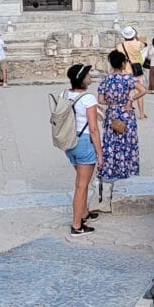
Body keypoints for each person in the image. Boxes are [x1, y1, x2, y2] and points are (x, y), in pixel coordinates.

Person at [63, 63, 103, 235]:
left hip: (69, 141)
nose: (90, 77)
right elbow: (94, 129)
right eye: (88, 74)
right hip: (84, 141)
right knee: (82, 185)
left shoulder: (64, 94)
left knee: (80, 179)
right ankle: (77, 225)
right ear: (82, 78)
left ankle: (84, 212)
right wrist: (100, 154)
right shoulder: (88, 99)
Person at [98, 49, 145, 187]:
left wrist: (112, 103)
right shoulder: (128, 79)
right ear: (123, 64)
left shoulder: (105, 80)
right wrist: (131, 98)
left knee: (111, 142)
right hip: (126, 112)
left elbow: (100, 100)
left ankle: (111, 170)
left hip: (112, 113)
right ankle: (127, 169)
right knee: (127, 142)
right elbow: (143, 90)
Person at [118, 27, 147, 119]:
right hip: (136, 70)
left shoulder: (120, 46)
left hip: (125, 70)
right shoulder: (138, 44)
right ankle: (141, 113)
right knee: (140, 91)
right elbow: (144, 44)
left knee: (127, 92)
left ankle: (128, 109)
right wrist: (137, 36)